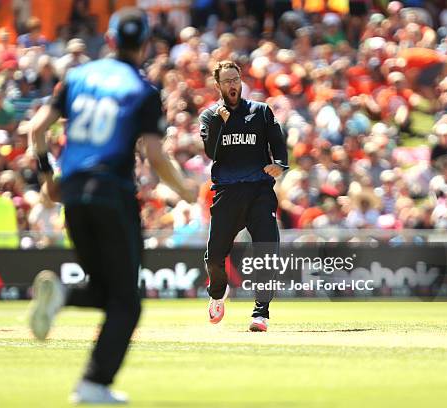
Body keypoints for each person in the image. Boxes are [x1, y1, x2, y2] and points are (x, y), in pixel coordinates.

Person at [27, 7, 194, 404]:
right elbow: (154, 155)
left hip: (73, 193)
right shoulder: (142, 90)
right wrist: (185, 190)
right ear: (146, 46)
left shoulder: (78, 76)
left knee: (106, 291)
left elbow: (36, 129)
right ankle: (92, 384)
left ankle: (64, 297)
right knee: (127, 303)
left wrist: (47, 177)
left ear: (112, 39)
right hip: (112, 193)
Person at [199, 60, 289, 332]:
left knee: (267, 250)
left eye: (235, 79)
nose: (232, 84)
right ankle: (217, 293)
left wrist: (280, 164)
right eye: (226, 81)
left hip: (259, 191)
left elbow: (278, 143)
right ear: (218, 86)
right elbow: (212, 153)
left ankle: (261, 312)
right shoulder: (210, 116)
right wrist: (219, 122)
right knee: (214, 257)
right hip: (227, 192)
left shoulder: (260, 111)